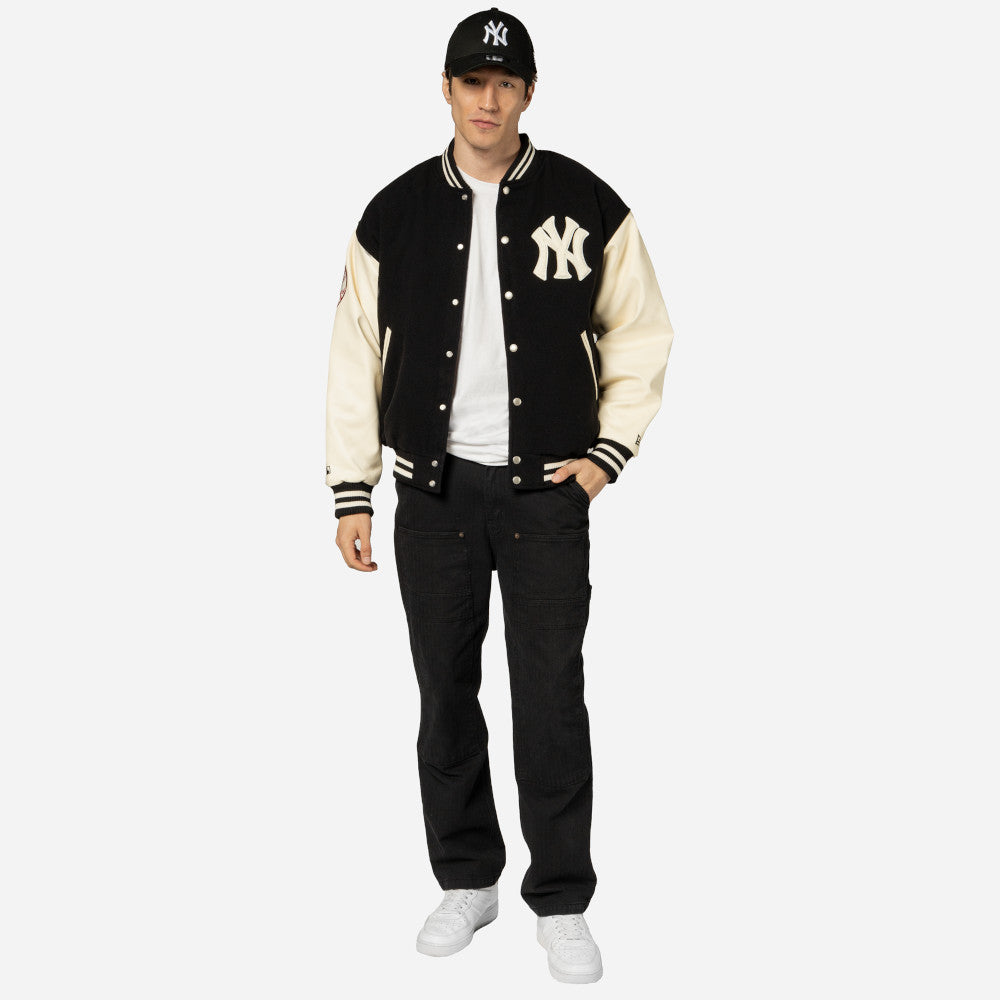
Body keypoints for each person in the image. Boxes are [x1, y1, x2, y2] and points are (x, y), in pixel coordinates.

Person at [325, 7, 674, 984]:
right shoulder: (394, 214)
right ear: (445, 89)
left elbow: (641, 330)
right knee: (445, 692)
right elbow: (353, 355)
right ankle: (467, 878)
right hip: (431, 496)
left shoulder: (585, 203)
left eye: (505, 82)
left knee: (551, 697)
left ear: (527, 93)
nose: (487, 99)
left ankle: (560, 900)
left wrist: (605, 454)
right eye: (471, 81)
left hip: (545, 496)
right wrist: (352, 490)